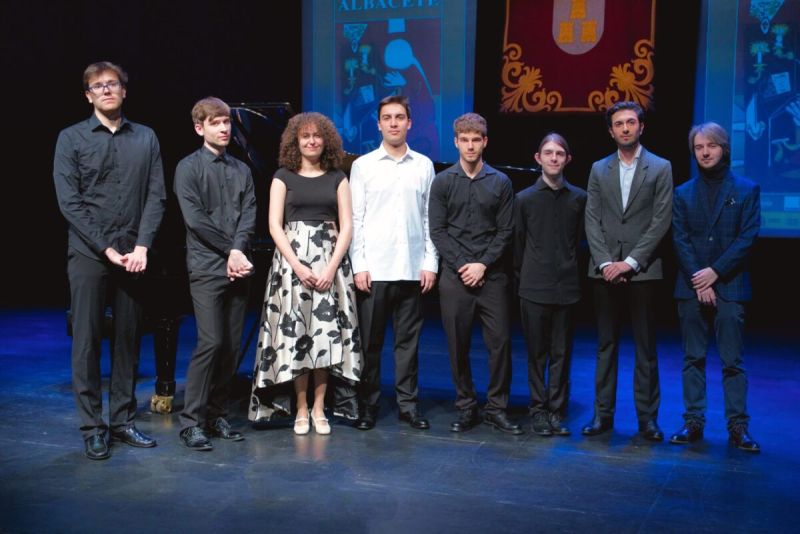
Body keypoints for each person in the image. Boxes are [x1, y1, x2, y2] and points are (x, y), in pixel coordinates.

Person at [53, 61, 166, 460]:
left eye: (112, 83)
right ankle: (92, 427)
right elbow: (70, 202)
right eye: (97, 86)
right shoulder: (71, 138)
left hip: (134, 254)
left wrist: (142, 246)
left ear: (124, 90)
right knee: (86, 341)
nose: (106, 90)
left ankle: (122, 421)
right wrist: (106, 248)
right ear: (88, 95)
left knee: (128, 341)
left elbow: (156, 195)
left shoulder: (146, 137)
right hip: (89, 253)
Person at [250, 112, 361, 435]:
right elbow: (274, 225)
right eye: (305, 136)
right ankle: (300, 407)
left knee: (325, 335)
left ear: (326, 140)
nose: (312, 141)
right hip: (291, 264)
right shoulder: (282, 177)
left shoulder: (338, 177)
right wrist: (297, 265)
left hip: (330, 262)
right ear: (295, 141)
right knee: (297, 334)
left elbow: (347, 225)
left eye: (317, 136)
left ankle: (319, 407)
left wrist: (331, 267)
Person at [582, 101, 673, 441]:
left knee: (645, 348)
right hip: (604, 270)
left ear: (641, 126)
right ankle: (602, 415)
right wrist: (607, 262)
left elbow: (661, 220)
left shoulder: (661, 167)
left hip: (642, 271)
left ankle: (647, 419)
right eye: (618, 124)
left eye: (630, 122)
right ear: (611, 131)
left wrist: (630, 262)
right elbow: (592, 218)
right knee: (606, 345)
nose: (625, 128)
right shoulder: (598, 168)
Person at [429, 113, 522, 435]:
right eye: (464, 140)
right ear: (456, 142)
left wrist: (482, 264)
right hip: (455, 277)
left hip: (493, 276)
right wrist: (463, 265)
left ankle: (496, 408)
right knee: (458, 345)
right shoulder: (443, 182)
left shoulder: (500, 182)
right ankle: (466, 406)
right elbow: (438, 231)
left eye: (476, 140)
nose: (470, 146)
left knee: (500, 344)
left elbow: (506, 230)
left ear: (485, 142)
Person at [349, 95, 439, 431]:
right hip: (375, 270)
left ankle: (408, 406)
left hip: (412, 269)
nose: (393, 123)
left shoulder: (424, 165)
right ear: (378, 124)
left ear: (409, 122)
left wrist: (430, 262)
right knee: (370, 345)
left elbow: (430, 218)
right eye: (387, 117)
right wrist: (359, 264)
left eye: (399, 117)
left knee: (408, 345)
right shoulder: (363, 166)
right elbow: (355, 220)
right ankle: (368, 406)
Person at [670, 122, 761, 452]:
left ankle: (738, 427)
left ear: (724, 149)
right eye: (699, 147)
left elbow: (747, 238)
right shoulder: (683, 193)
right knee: (692, 357)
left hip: (730, 285)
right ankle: (693, 421)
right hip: (692, 286)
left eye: (711, 146)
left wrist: (715, 273)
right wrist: (700, 277)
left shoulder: (746, 189)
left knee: (732, 361)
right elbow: (680, 239)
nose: (705, 152)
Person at [174, 97, 256, 450]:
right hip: (207, 268)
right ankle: (191, 422)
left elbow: (249, 214)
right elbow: (196, 221)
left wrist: (238, 250)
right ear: (200, 128)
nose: (224, 128)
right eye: (216, 123)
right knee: (210, 342)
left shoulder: (242, 170)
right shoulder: (188, 168)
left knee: (232, 346)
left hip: (237, 267)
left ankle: (217, 414)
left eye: (226, 122)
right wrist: (231, 251)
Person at [514, 133, 587, 437]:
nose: (554, 158)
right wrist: (526, 277)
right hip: (534, 287)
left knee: (561, 352)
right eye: (548, 152)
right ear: (538, 158)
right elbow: (518, 245)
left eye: (559, 153)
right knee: (537, 353)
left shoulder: (579, 198)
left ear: (568, 159)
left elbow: (581, 242)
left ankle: (557, 410)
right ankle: (538, 409)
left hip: (567, 287)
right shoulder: (524, 199)